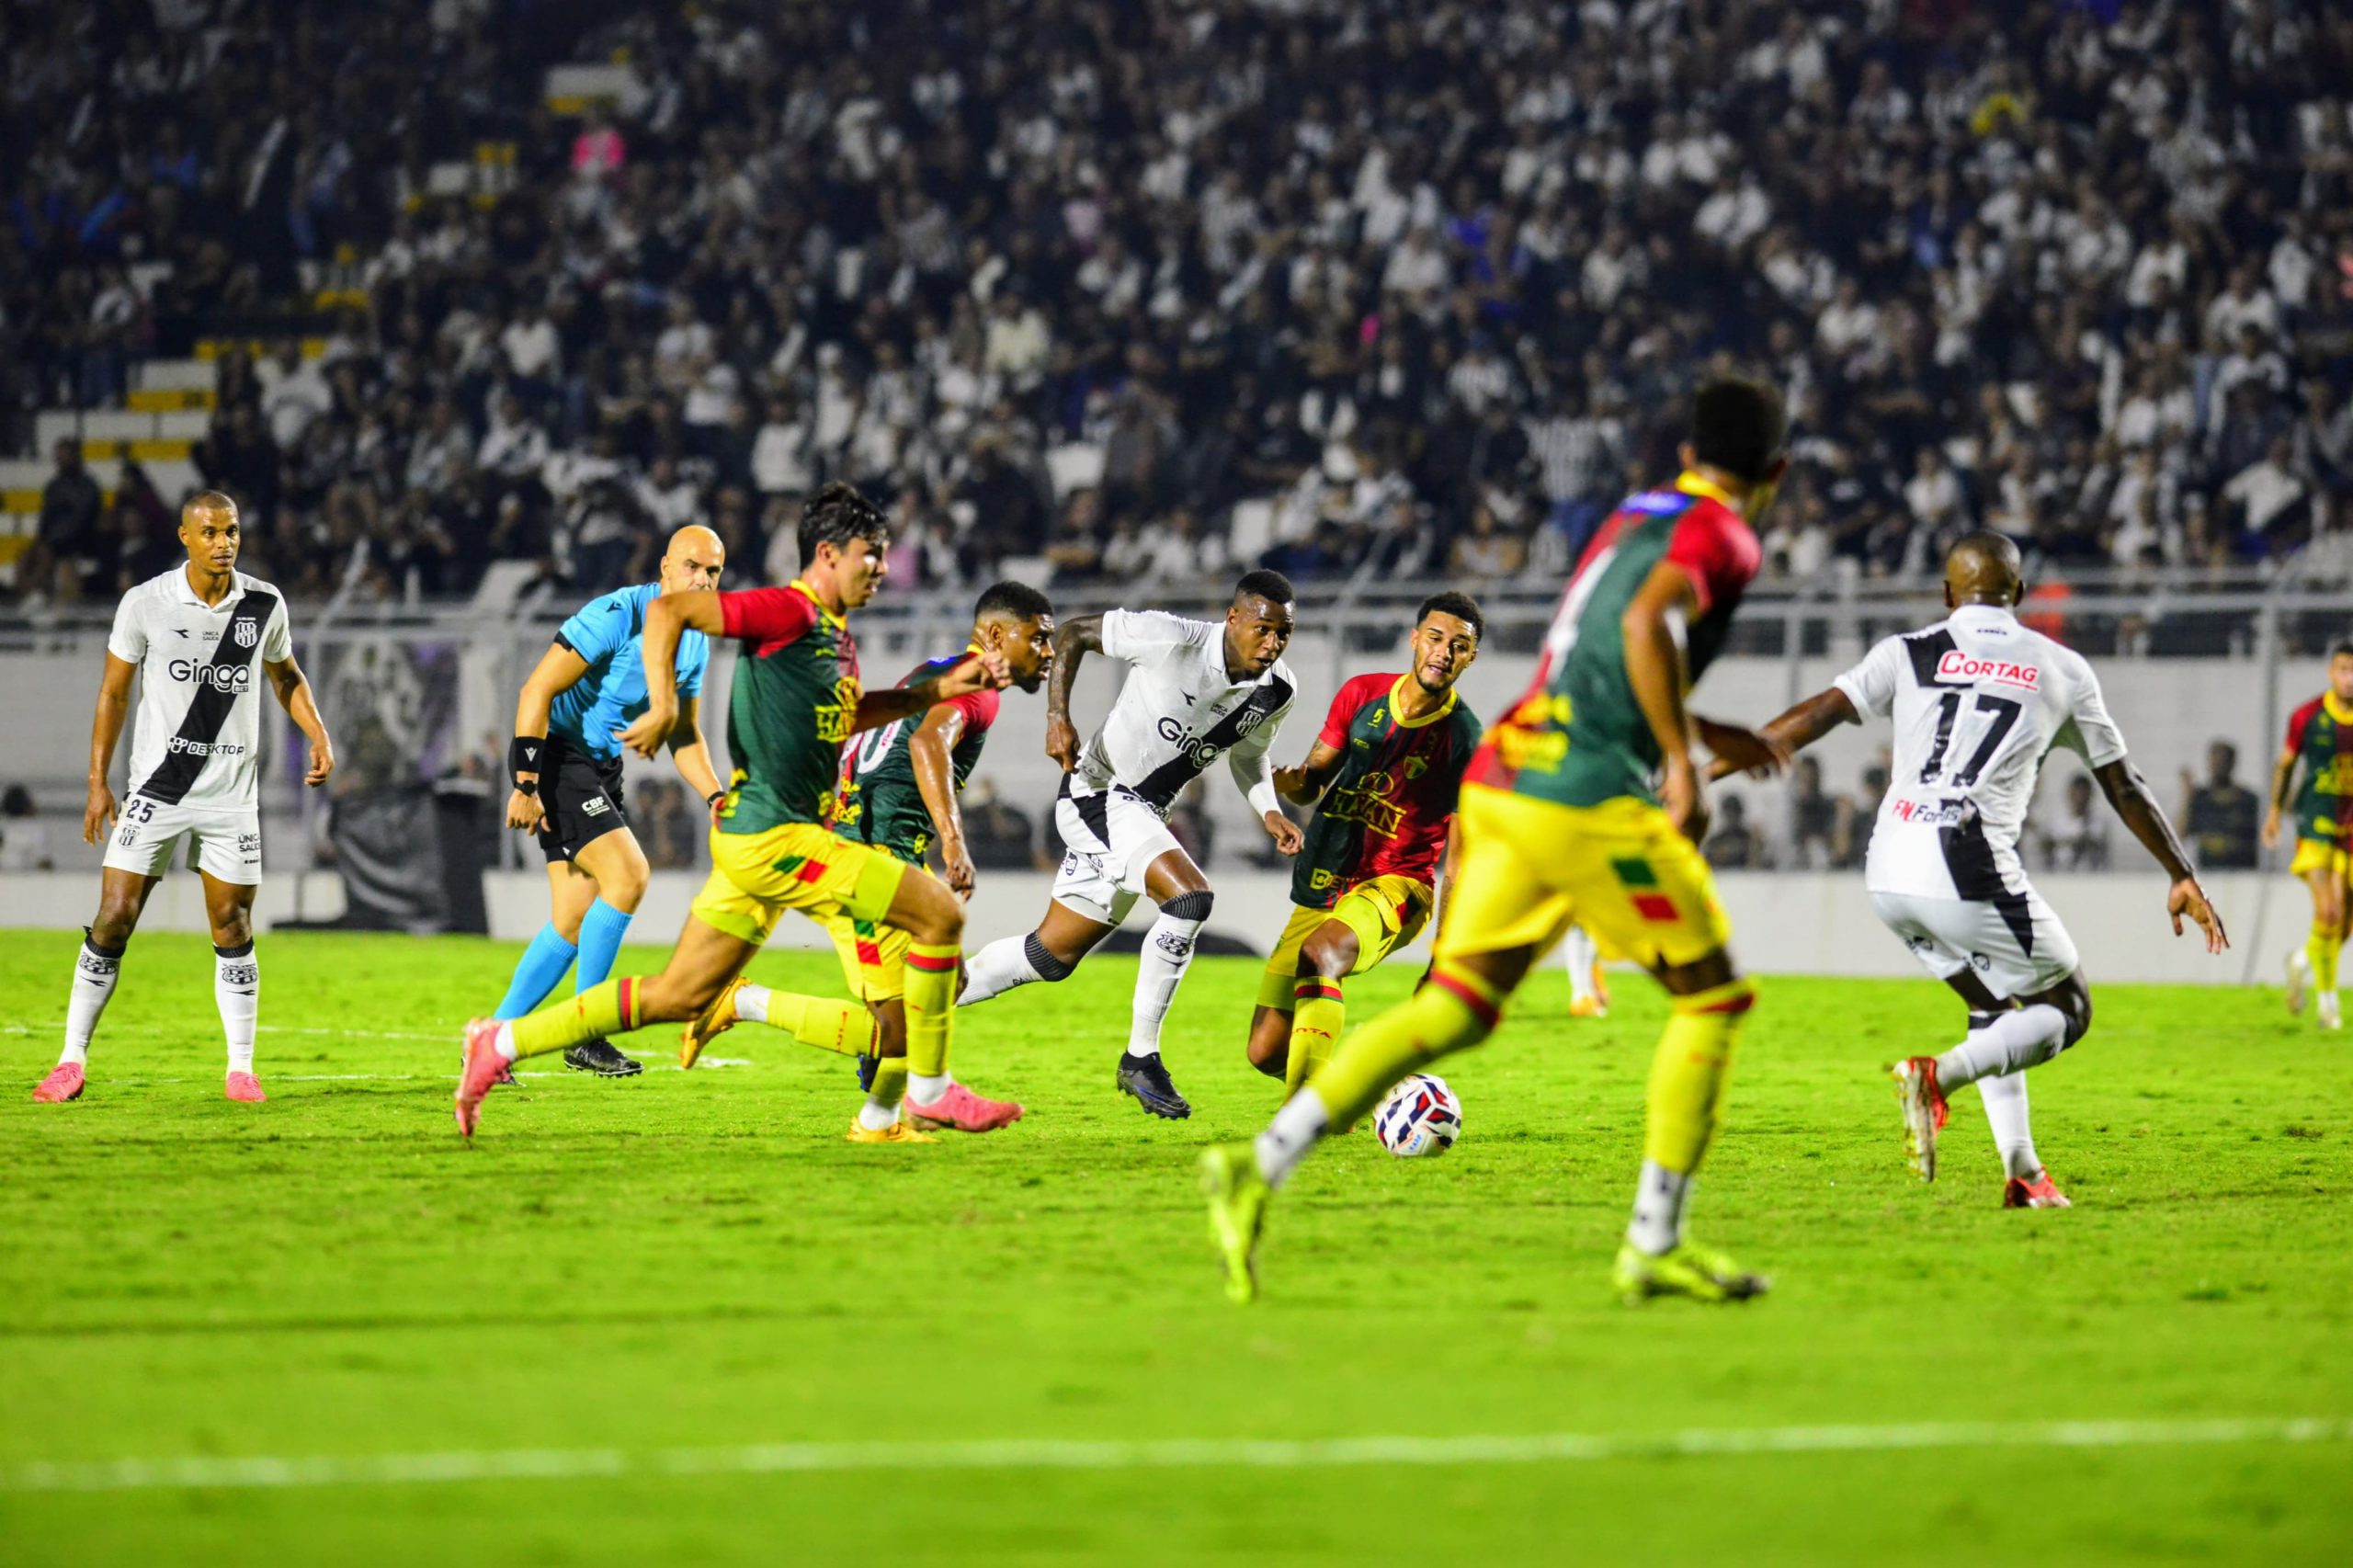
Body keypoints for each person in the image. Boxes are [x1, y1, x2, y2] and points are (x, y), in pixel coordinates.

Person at [1200, 378, 1792, 1306]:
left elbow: (1604, 645)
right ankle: (1652, 1242)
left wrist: (1706, 731)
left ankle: (1259, 1163)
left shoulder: (1640, 509)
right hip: (1584, 792)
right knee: (1711, 998)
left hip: (1512, 770)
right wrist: (1681, 759)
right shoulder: (1728, 532)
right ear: (1776, 471)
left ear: (1687, 452)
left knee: (1462, 1009)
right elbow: (1645, 627)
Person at [456, 483, 1019, 1141]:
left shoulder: (832, 633)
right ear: (830, 554)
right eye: (873, 555)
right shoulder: (785, 609)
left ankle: (497, 1044)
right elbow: (666, 616)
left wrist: (934, 691)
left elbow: (844, 719)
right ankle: (927, 1091)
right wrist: (661, 707)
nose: (884, 570)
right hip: (776, 837)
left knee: (678, 996)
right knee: (940, 913)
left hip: (754, 837)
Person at [1744, 532, 2227, 1206]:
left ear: (1947, 594)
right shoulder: (2060, 667)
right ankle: (1934, 1077)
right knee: (2070, 1007)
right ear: (2020, 594)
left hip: (1887, 866)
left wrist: (1722, 757)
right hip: (1963, 860)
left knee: (1993, 1008)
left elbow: (1820, 715)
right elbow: (2124, 783)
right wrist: (2180, 872)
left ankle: (2025, 1175)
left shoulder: (1908, 651)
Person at [957, 571, 1305, 1119]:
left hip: (1144, 816)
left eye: (1284, 633)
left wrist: (1269, 812)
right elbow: (1071, 634)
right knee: (1190, 899)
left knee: (1048, 956)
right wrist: (1057, 718)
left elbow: (1248, 755)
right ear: (1233, 619)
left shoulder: (1278, 689)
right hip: (1097, 793)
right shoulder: (1171, 637)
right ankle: (1141, 1058)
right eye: (1263, 629)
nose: (1273, 643)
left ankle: (909, 1009)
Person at [34, 493, 335, 1105]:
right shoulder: (145, 603)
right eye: (210, 532)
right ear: (184, 537)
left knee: (231, 924)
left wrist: (317, 732)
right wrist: (98, 781)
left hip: (230, 796)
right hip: (157, 788)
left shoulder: (262, 602)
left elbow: (286, 675)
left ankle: (241, 1069)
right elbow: (114, 694)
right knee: (115, 915)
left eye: (232, 531)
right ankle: (70, 1060)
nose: (223, 542)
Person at [803, 581, 1057, 1127]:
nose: (1049, 652)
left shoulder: (936, 668)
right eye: (1038, 638)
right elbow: (927, 743)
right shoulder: (979, 689)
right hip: (866, 849)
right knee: (894, 1031)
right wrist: (955, 840)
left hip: (881, 843)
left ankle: (888, 1118)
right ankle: (741, 1003)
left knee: (947, 982)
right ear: (994, 635)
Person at [491, 524, 727, 1077]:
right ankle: (587, 1032)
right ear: (665, 567)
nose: (702, 579)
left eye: (713, 571)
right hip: (554, 755)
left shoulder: (695, 639)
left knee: (572, 919)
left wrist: (716, 795)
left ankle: (492, 1041)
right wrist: (526, 784)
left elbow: (683, 734)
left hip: (600, 767)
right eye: (692, 566)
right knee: (630, 875)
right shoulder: (618, 614)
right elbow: (536, 691)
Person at [1243, 593, 1484, 1096]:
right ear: (1415, 640)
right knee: (1266, 1051)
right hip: (1324, 880)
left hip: (1397, 886)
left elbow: (1463, 858)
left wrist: (1445, 955)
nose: (1444, 652)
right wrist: (1291, 784)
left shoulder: (1464, 738)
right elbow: (1314, 781)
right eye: (1436, 639)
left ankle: (1301, 1121)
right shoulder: (1361, 693)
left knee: (1320, 954)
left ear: (1470, 657)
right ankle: (1367, 1094)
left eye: (1459, 646)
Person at [2265, 644, 2353, 1029]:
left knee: (2344, 923)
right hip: (2315, 824)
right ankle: (2329, 1006)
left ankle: (2301, 961)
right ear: (2330, 672)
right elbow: (2285, 766)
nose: (2349, 678)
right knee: (2329, 912)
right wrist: (2273, 812)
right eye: (2343, 669)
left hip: (2350, 829)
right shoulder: (2307, 716)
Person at [2179, 741, 2258, 870]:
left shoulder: (2249, 800)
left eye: (2223, 761)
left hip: (2243, 874)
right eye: (2215, 761)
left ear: (2232, 763)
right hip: (2209, 874)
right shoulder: (2199, 798)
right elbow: (2182, 834)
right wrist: (2187, 798)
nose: (2219, 766)